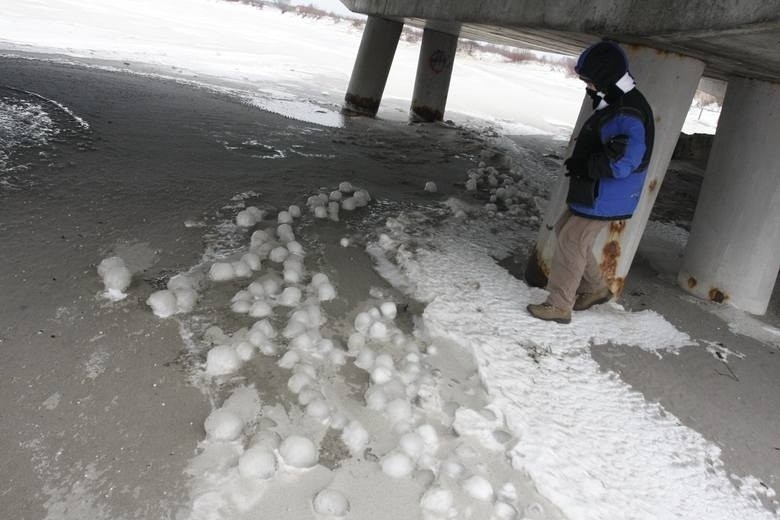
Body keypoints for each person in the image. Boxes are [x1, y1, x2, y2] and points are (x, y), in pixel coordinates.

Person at [527, 40, 655, 324]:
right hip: (598, 191)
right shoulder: (618, 102)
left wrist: (586, 165)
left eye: (589, 80)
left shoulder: (627, 112)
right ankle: (596, 288)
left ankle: (560, 305)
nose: (588, 86)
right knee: (565, 230)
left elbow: (623, 162)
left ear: (605, 77)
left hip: (606, 195)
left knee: (572, 240)